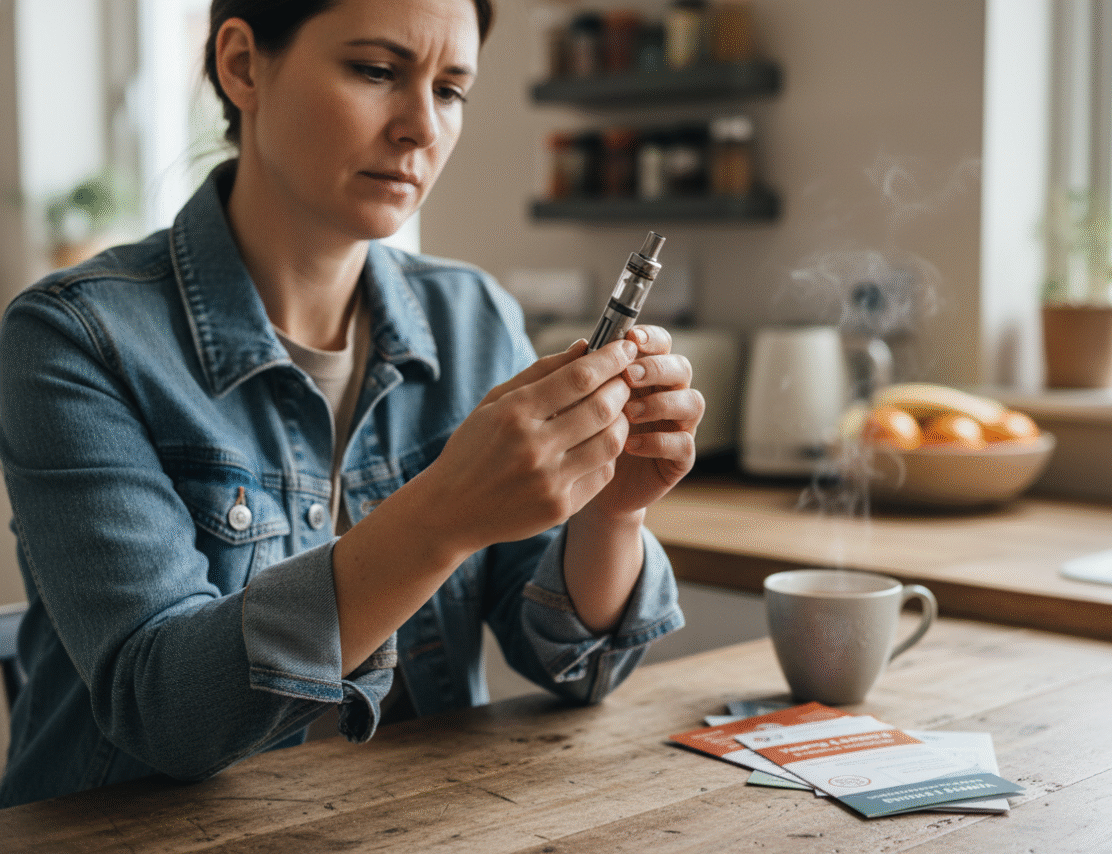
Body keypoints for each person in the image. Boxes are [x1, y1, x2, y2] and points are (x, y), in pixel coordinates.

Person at [0, 0, 703, 807]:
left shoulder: (472, 318)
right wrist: (444, 514)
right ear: (242, 65)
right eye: (376, 71)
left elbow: (575, 668)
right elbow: (165, 713)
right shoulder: (74, 338)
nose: (421, 128)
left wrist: (610, 512)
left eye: (450, 90)